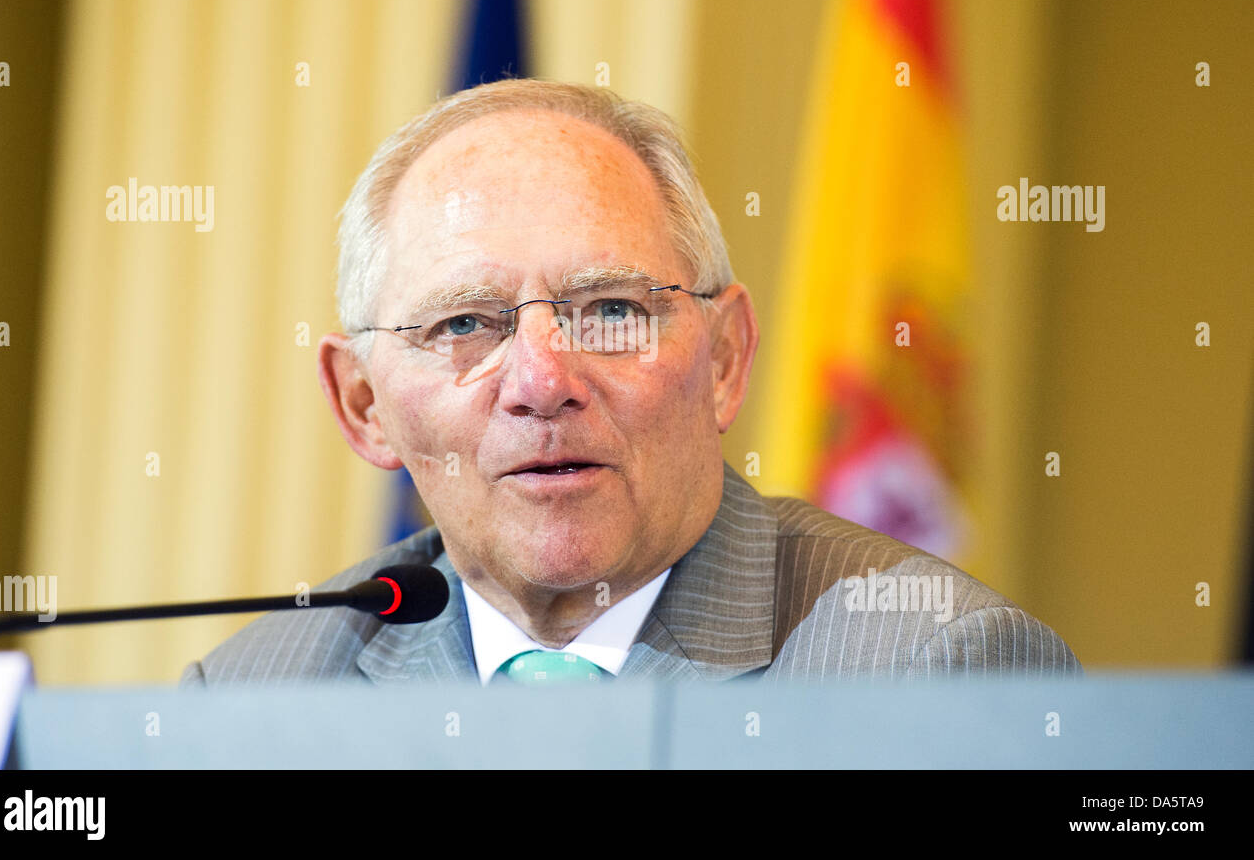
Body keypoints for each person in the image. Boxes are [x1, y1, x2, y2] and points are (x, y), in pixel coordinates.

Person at [182, 79, 1079, 687]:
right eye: (464, 324)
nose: (541, 381)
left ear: (724, 358)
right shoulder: (250, 700)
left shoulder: (938, 669)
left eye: (610, 308)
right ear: (364, 405)